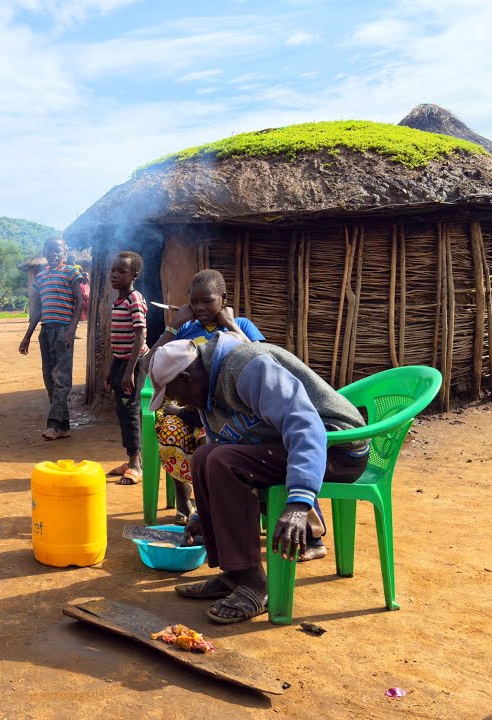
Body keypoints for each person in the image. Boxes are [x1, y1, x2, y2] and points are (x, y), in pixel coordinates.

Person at [147, 335, 369, 624]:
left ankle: (256, 586)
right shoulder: (208, 394)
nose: (180, 404)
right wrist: (204, 513)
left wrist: (299, 503)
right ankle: (236, 575)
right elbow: (219, 443)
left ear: (188, 377)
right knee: (205, 457)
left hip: (336, 448)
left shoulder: (248, 368)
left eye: (176, 396)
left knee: (221, 461)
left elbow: (305, 426)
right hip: (290, 447)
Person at [146, 270, 264, 523]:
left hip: (222, 408)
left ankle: (207, 505)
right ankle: (183, 501)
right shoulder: (184, 329)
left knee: (205, 440)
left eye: (207, 300)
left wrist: (230, 325)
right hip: (182, 403)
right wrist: (174, 325)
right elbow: (150, 363)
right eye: (194, 301)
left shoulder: (241, 326)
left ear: (223, 299)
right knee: (169, 430)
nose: (199, 307)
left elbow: (262, 359)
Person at [19, 237, 84, 441]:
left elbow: (80, 302)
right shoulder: (40, 278)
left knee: (61, 379)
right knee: (49, 377)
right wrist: (27, 336)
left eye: (58, 250)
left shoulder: (72, 273)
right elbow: (38, 310)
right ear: (44, 251)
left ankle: (53, 424)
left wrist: (71, 330)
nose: (54, 254)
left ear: (65, 252)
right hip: (45, 332)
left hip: (62, 331)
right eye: (50, 250)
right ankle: (64, 426)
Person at [105, 252, 150, 485]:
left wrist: (129, 371)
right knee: (123, 412)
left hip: (135, 363)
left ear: (134, 275)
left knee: (130, 410)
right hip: (121, 362)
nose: (115, 275)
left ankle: (135, 466)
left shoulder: (134, 299)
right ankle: (134, 459)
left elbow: (140, 335)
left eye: (121, 271)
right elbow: (118, 342)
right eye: (113, 270)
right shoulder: (118, 301)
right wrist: (113, 369)